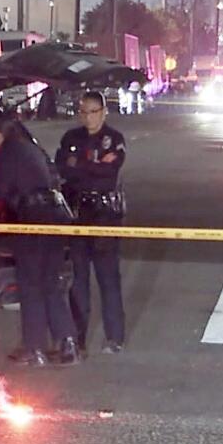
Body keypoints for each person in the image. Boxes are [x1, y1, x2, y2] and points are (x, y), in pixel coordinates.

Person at [0, 110, 80, 367]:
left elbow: (2, 190)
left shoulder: (7, 152)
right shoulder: (30, 148)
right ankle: (68, 342)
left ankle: (34, 348)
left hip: (33, 220)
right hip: (56, 218)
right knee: (51, 282)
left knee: (30, 284)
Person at [56, 91, 127, 355]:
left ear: (104, 111)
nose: (88, 116)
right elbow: (63, 169)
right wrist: (93, 164)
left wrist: (82, 166)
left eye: (93, 111)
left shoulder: (114, 139)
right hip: (77, 213)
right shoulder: (71, 138)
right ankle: (78, 339)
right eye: (83, 111)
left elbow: (108, 175)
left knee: (108, 279)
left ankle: (114, 337)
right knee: (78, 280)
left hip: (105, 214)